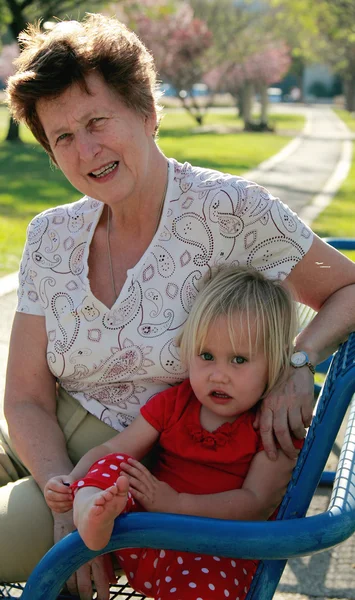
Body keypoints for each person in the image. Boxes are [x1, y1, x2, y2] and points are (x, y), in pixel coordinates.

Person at [1, 11, 355, 600]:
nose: (85, 151)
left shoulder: (229, 212)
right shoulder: (50, 235)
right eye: (62, 137)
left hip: (128, 473)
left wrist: (298, 363)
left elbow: (349, 288)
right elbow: (25, 397)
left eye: (96, 121)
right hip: (42, 451)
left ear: (146, 111)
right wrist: (60, 495)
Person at [45, 266, 302, 600]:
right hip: (141, 541)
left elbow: (255, 504)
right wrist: (73, 481)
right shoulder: (176, 403)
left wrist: (176, 503)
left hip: (215, 557)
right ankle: (89, 515)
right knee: (117, 463)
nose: (218, 375)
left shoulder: (270, 425)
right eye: (206, 356)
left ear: (276, 363)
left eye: (239, 360)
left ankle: (94, 518)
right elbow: (114, 447)